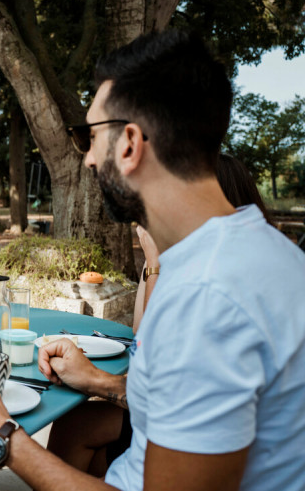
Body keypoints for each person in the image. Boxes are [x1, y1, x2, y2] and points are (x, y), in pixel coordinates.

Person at [0, 30, 305, 491]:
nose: (88, 159)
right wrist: (101, 382)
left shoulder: (206, 296)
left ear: (130, 144)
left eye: (88, 137)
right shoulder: (264, 253)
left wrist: (0, 435)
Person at [46, 152, 274, 478]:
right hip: (179, 413)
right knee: (76, 427)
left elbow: (154, 357)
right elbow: (139, 338)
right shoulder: (183, 256)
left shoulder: (221, 279)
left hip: (204, 432)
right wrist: (152, 264)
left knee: (77, 431)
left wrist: (154, 261)